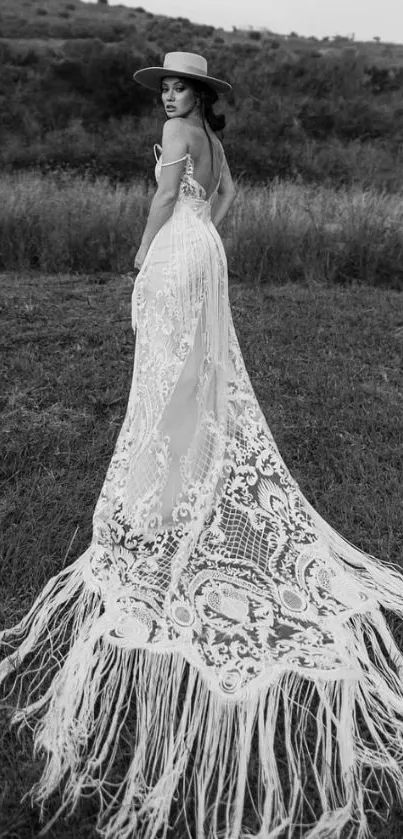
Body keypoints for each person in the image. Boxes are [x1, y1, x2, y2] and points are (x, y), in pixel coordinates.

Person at [1, 50, 403, 839]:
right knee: (189, 371)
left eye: (183, 86)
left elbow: (160, 198)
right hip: (206, 251)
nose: (174, 95)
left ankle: (165, 477)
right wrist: (201, 231)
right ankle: (181, 464)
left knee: (166, 366)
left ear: (197, 96)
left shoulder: (174, 132)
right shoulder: (208, 139)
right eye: (170, 86)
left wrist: (145, 253)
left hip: (179, 253)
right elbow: (223, 195)